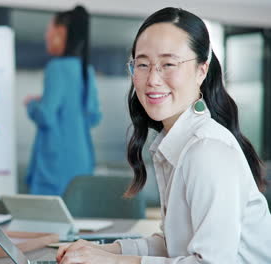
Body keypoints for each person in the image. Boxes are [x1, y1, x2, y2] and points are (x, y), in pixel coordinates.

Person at [56, 7, 271, 264]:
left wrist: (109, 261)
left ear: (202, 70)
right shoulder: (176, 143)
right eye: (143, 64)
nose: (153, 79)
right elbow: (172, 244)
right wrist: (102, 250)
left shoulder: (207, 150)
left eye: (168, 64)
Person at [24, 5, 102, 196]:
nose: (46, 36)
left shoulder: (56, 68)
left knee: (48, 220)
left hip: (56, 160)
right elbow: (93, 116)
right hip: (82, 158)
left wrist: (31, 104)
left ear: (61, 32)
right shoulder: (86, 70)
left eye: (49, 30)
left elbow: (46, 116)